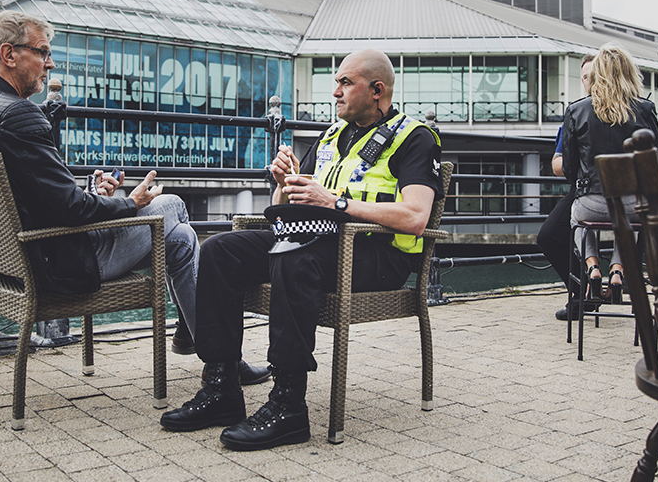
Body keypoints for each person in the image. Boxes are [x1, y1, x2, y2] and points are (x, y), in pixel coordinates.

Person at [0, 10, 268, 384]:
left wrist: (94, 194)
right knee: (173, 205)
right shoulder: (20, 115)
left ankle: (212, 352)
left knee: (180, 239)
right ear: (9, 54)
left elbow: (35, 197)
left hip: (9, 263)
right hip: (60, 263)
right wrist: (131, 203)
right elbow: (69, 209)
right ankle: (207, 342)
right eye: (42, 52)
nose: (50, 63)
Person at [159, 48, 444, 450]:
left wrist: (336, 203)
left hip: (375, 255)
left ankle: (289, 406)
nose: (335, 92)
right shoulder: (331, 136)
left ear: (377, 90)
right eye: (337, 83)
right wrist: (284, 181)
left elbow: (416, 216)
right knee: (221, 249)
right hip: (316, 239)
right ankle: (222, 388)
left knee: (294, 258)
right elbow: (290, 206)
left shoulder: (413, 138)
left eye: (346, 82)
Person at [561, 44, 658, 306]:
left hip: (590, 202)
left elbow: (569, 168)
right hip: (631, 204)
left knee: (577, 220)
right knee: (629, 222)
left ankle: (593, 267)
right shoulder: (645, 109)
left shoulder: (576, 110)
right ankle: (617, 270)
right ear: (629, 72)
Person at [537, 54, 594, 321]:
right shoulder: (577, 112)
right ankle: (582, 291)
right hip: (583, 188)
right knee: (549, 235)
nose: (589, 81)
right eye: (585, 76)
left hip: (621, 193)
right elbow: (558, 164)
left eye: (593, 74)